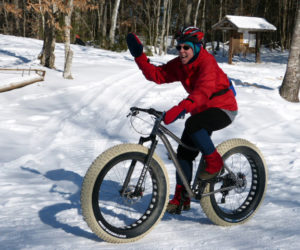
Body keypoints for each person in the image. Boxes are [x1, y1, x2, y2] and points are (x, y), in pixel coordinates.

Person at [126, 26, 238, 214]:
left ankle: (214, 163)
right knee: (184, 153)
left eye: (186, 47)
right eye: (179, 47)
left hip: (223, 108)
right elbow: (158, 75)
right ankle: (182, 198)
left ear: (196, 47)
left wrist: (181, 108)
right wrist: (140, 57)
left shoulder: (207, 63)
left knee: (193, 124)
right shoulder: (180, 64)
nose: (182, 51)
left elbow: (202, 92)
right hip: (200, 110)